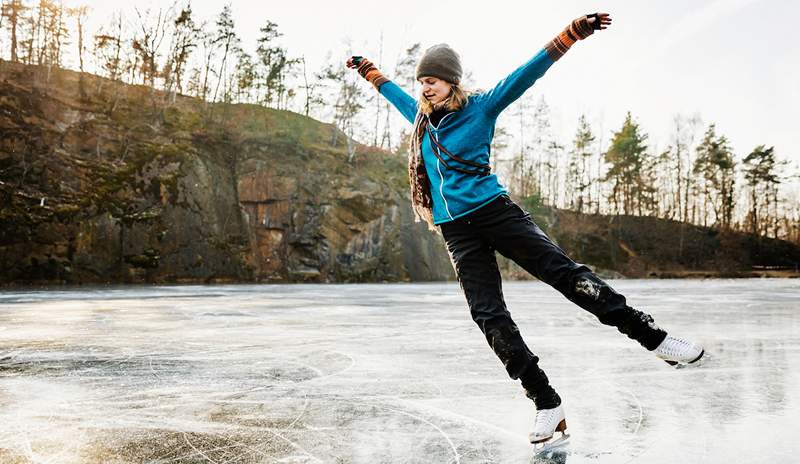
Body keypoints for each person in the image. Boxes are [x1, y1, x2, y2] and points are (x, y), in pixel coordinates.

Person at [346, 12, 704, 448]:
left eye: (435, 79)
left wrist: (571, 35)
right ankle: (546, 403)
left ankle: (655, 339)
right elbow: (390, 92)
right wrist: (369, 71)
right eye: (422, 80)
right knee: (488, 315)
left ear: (452, 82)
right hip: (456, 231)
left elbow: (528, 72)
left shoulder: (481, 107)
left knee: (567, 276)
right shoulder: (420, 117)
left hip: (496, 213)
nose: (426, 86)